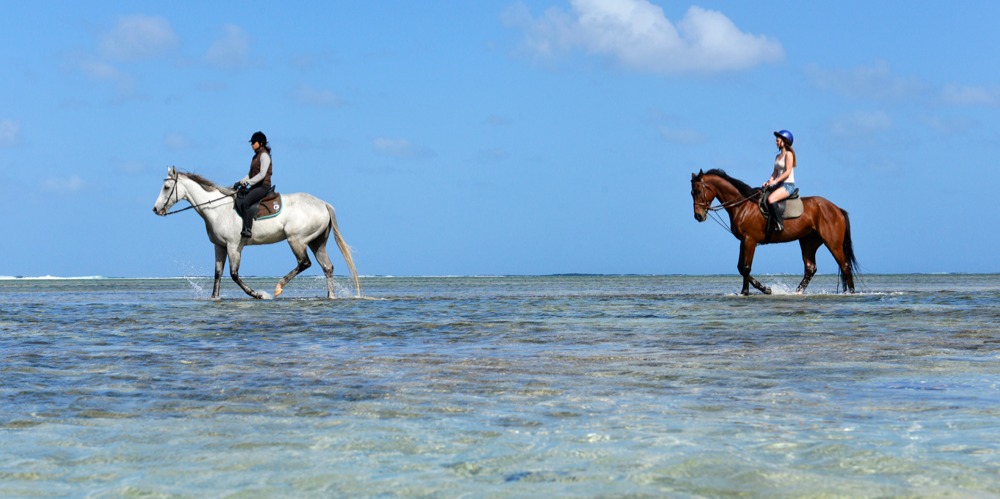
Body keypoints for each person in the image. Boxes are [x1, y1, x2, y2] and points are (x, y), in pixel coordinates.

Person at [234, 131, 273, 238]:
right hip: (256, 186)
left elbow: (262, 174)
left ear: (260, 143)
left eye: (253, 142)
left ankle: (248, 229)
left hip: (263, 186)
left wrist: (248, 182)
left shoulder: (264, 156)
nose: (252, 145)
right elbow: (250, 174)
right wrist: (241, 182)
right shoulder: (255, 157)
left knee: (246, 202)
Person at [762, 129, 796, 231]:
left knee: (771, 199)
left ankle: (779, 224)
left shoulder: (789, 154)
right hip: (778, 185)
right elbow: (775, 173)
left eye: (777, 140)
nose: (776, 142)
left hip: (788, 185)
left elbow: (787, 172)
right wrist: (768, 182)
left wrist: (775, 181)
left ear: (784, 141)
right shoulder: (777, 156)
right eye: (776, 140)